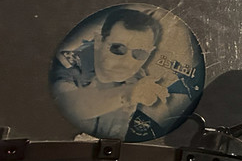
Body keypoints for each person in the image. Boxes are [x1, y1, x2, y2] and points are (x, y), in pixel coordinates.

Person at [51, 7, 172, 140]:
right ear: (98, 41)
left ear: (150, 52)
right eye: (118, 48)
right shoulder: (69, 65)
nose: (127, 62)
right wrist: (128, 94)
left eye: (139, 53)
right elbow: (68, 104)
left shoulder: (139, 79)